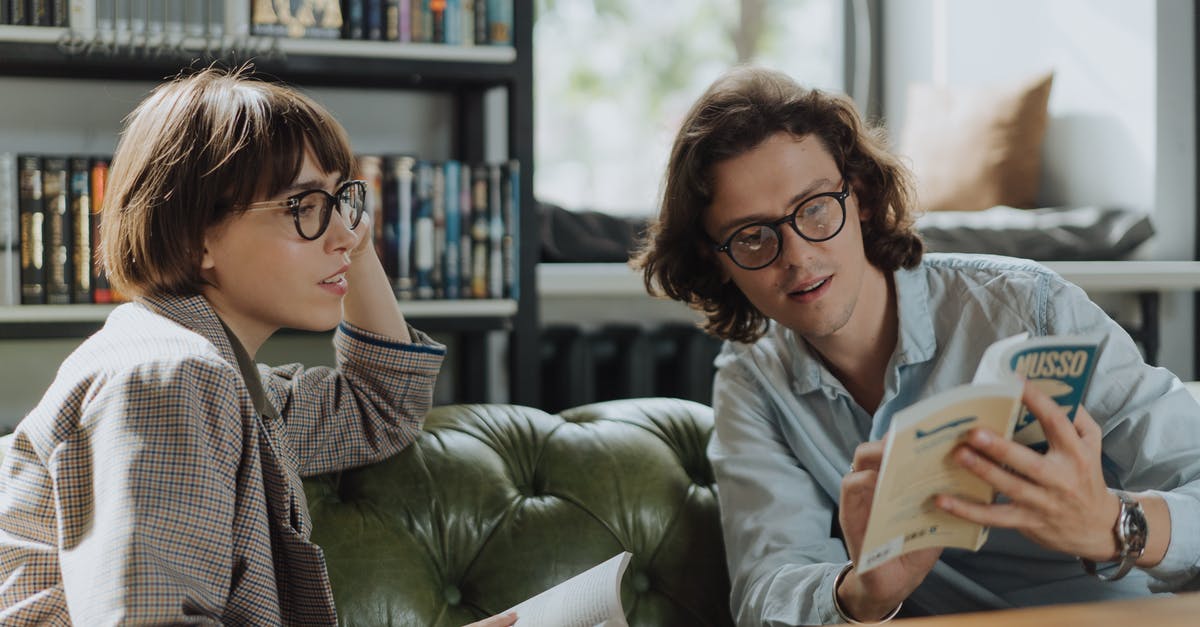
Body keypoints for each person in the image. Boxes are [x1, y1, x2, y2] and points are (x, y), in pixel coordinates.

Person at [633, 65, 1200, 625]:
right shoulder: (752, 378)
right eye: (753, 237)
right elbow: (766, 587)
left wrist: (1115, 524)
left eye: (814, 209)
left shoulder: (1031, 307)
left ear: (858, 197)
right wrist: (862, 592)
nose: (798, 256)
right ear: (715, 258)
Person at [0, 68, 516, 627]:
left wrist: (351, 245)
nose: (344, 233)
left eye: (343, 199)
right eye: (303, 206)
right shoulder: (169, 377)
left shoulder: (222, 380)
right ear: (198, 235)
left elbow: (383, 403)